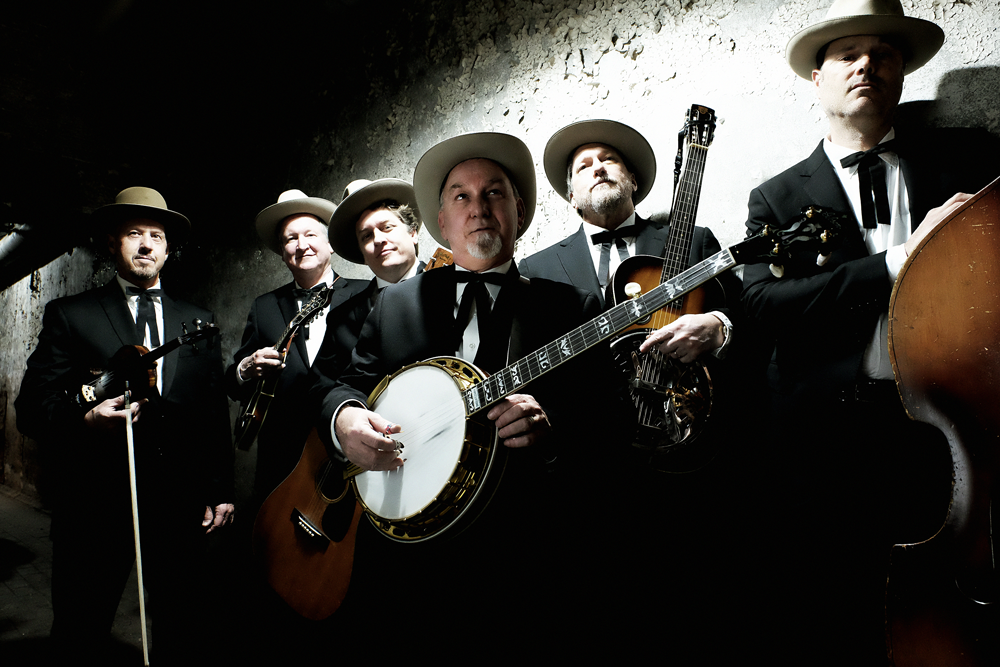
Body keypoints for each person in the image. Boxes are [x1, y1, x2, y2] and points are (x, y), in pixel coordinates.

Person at [740, 0, 1000, 661]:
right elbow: (764, 305)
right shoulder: (775, 198)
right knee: (836, 611)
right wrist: (895, 261)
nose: (867, 65)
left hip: (944, 425)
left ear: (902, 74)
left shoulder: (966, 160)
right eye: (848, 54)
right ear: (817, 77)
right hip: (827, 436)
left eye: (883, 54)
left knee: (950, 601)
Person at [319, 133, 628, 656]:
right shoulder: (395, 305)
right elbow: (345, 386)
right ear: (442, 222)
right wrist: (345, 418)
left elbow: (611, 418)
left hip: (532, 552)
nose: (478, 208)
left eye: (494, 193)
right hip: (416, 560)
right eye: (461, 196)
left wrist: (552, 431)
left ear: (519, 212)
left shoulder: (571, 306)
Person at [15, 186, 234, 663]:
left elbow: (212, 413)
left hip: (178, 509)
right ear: (113, 243)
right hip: (94, 508)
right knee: (80, 630)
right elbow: (32, 407)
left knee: (182, 628)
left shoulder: (197, 321)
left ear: (168, 250)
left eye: (157, 235)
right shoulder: (71, 315)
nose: (146, 244)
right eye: (135, 233)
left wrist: (220, 488)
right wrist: (85, 419)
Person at [518, 119, 741, 363]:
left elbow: (748, 313)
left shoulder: (696, 239)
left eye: (609, 159)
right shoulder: (536, 270)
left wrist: (717, 327)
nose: (598, 168)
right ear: (572, 198)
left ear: (633, 181)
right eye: (583, 167)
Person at [227, 189, 368, 501]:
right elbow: (233, 384)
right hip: (281, 459)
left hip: (352, 452)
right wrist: (246, 368)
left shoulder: (366, 294)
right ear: (282, 252)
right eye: (291, 239)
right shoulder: (264, 306)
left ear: (331, 244)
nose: (301, 245)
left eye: (310, 235)